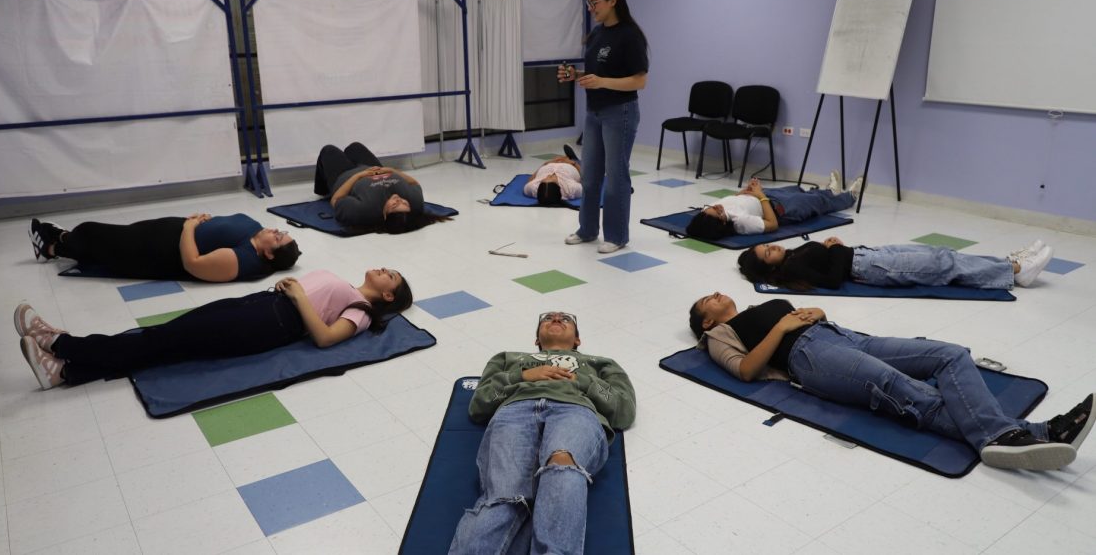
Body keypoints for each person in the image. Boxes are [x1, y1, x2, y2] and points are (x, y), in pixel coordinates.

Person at [687, 292, 1094, 471]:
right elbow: (745, 371)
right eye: (708, 299)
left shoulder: (760, 304)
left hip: (841, 336)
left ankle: (1014, 435)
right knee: (900, 386)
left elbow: (806, 319)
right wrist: (781, 327)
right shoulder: (717, 336)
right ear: (706, 320)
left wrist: (815, 313)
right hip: (807, 360)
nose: (717, 293)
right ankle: (1031, 433)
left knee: (949, 353)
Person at [15, 268, 413, 389]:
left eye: (390, 277)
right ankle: (66, 371)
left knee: (163, 339)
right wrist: (289, 291)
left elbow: (325, 339)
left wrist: (297, 298)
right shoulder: (347, 285)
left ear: (388, 298)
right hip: (260, 305)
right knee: (167, 343)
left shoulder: (361, 311)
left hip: (269, 323)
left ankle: (62, 343)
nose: (383, 269)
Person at [449, 311, 636, 554]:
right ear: (537, 339)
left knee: (563, 465)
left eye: (565, 319)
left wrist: (582, 381)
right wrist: (522, 375)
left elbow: (624, 410)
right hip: (515, 411)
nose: (556, 318)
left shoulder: (601, 363)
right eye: (547, 318)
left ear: (578, 340)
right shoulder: (508, 358)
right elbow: (479, 405)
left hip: (575, 410)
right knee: (506, 495)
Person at [560, 0, 648, 254]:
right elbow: (597, 75)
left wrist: (601, 82)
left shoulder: (630, 35)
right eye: (588, 3)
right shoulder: (598, 33)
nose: (591, 8)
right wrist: (575, 75)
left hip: (619, 112)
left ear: (613, 0)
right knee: (590, 177)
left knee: (616, 177)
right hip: (594, 112)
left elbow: (639, 81)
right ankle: (587, 230)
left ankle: (617, 235)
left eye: (595, 2)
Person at [28, 213, 300, 282]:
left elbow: (192, 263)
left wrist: (190, 227)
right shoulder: (254, 234)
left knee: (92, 233)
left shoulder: (243, 260)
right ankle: (56, 242)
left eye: (278, 239)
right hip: (166, 232)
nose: (276, 231)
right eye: (281, 231)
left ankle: (55, 242)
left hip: (159, 249)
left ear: (267, 254)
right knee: (102, 239)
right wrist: (202, 220)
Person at [739, 237, 1055, 290]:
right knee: (942, 264)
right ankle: (1016, 273)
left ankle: (1008, 263)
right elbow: (834, 279)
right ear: (769, 268)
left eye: (767, 245)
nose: (773, 247)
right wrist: (834, 249)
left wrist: (829, 247)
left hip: (867, 255)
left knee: (942, 253)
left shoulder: (793, 256)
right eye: (768, 253)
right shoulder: (792, 269)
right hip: (868, 268)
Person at [686, 175, 859, 241]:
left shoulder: (707, 213)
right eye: (718, 211)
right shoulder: (742, 223)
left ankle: (830, 190)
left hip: (764, 196)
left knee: (801, 191)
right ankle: (850, 197)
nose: (717, 206)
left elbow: (734, 200)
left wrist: (746, 191)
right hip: (779, 208)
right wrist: (760, 196)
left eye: (712, 207)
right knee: (819, 202)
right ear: (722, 223)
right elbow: (772, 223)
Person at [314, 142, 429, 234]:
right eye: (404, 203)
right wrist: (391, 171)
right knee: (355, 147)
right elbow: (414, 183)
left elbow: (336, 199)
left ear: (384, 214)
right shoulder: (414, 203)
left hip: (344, 175)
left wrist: (358, 176)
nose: (399, 199)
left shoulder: (364, 211)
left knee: (328, 150)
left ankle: (321, 190)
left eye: (394, 205)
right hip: (373, 168)